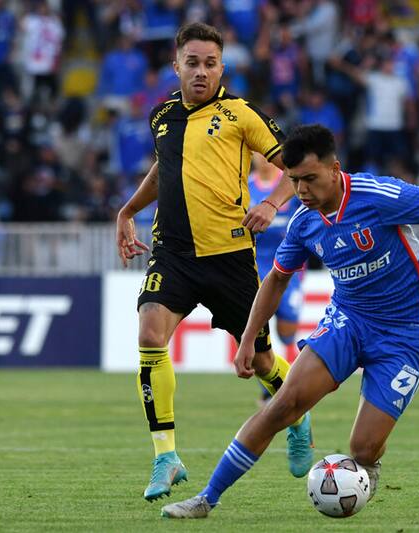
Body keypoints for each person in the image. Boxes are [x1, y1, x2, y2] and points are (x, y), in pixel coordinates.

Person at [160, 124, 419, 518]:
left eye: (310, 179)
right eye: (294, 181)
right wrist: (246, 340)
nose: (302, 190)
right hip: (349, 319)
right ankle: (207, 499)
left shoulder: (379, 196)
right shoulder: (303, 223)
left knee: (361, 448)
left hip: (406, 332)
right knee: (283, 404)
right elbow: (276, 279)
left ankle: (370, 463)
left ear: (334, 169)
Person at [114, 22, 312, 503]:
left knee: (262, 361)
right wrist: (128, 210)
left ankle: (298, 413)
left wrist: (271, 204)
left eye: (210, 63)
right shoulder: (162, 116)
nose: (201, 71)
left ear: (221, 68)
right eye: (192, 62)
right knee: (149, 334)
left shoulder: (240, 113)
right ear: (175, 65)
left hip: (229, 258)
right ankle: (166, 457)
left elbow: (295, 163)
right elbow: (165, 168)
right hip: (174, 254)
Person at [247, 152, 304, 405]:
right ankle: (268, 387)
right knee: (260, 325)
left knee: (287, 330)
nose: (264, 159)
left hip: (289, 265)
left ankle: (289, 376)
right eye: (257, 153)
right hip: (255, 266)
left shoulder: (289, 183)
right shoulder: (245, 186)